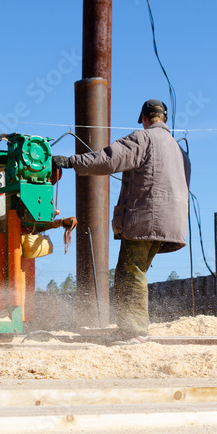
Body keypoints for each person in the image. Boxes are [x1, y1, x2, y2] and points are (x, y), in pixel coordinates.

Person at [52, 99, 191, 345]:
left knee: (130, 274)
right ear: (165, 119)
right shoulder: (179, 150)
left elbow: (108, 159)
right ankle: (131, 329)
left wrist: (71, 162)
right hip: (172, 223)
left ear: (145, 117)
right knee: (136, 272)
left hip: (145, 219)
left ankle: (135, 332)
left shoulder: (143, 138)